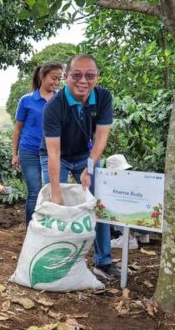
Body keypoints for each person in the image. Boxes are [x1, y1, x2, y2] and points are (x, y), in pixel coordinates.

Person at [41, 54, 119, 279]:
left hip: (86, 155)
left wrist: (90, 166)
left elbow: (101, 137)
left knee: (98, 203)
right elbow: (53, 152)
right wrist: (56, 191)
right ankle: (55, 257)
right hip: (58, 156)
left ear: (97, 77)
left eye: (89, 75)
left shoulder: (103, 97)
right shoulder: (54, 106)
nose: (83, 81)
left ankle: (103, 262)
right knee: (57, 204)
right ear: (66, 77)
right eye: (76, 75)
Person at [12, 62, 63, 226]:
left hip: (52, 153)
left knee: (52, 190)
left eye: (59, 79)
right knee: (34, 192)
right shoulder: (26, 100)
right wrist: (15, 154)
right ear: (42, 77)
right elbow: (18, 128)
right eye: (53, 78)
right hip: (29, 151)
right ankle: (31, 229)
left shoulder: (61, 99)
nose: (56, 83)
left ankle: (49, 228)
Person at [105, 154, 151, 250]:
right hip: (150, 225)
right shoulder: (136, 180)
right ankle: (142, 236)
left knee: (113, 205)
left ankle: (129, 240)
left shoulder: (116, 186)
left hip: (140, 223)